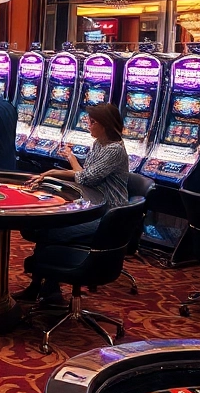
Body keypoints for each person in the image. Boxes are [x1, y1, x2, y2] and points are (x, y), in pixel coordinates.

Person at [16, 103, 131, 306]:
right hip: (92, 207)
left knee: (50, 233)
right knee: (46, 230)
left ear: (104, 125)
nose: (88, 125)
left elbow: (86, 178)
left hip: (107, 214)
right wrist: (67, 161)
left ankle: (46, 287)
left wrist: (52, 173)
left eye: (92, 122)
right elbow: (84, 174)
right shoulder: (99, 144)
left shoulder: (114, 149)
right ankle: (45, 287)